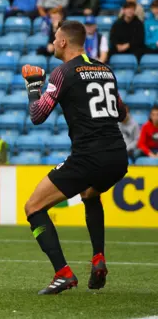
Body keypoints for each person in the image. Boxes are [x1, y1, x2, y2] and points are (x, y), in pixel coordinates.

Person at [21, 20, 128, 294]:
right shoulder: (105, 70)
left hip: (88, 156)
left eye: (56, 38)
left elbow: (37, 116)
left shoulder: (63, 72)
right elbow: (121, 112)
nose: (54, 42)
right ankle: (98, 258)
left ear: (64, 42)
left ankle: (63, 273)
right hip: (117, 155)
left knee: (33, 207)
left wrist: (33, 86)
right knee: (91, 194)